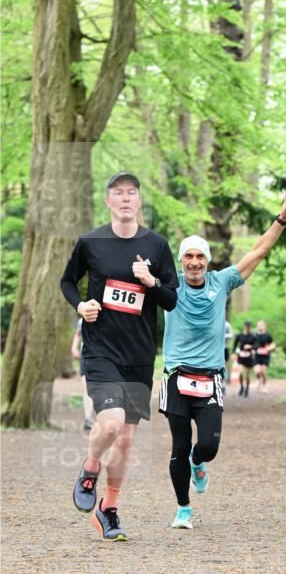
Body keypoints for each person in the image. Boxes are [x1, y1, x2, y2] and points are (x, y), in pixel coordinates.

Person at [160, 188, 286, 529]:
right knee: (179, 445)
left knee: (206, 445)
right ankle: (183, 509)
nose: (194, 262)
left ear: (208, 261)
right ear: (181, 260)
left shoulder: (221, 282)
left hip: (210, 378)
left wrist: (281, 218)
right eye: (188, 256)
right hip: (176, 376)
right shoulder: (168, 286)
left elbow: (258, 250)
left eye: (200, 257)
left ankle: (199, 462)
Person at [61, 172, 178, 541]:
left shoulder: (157, 246)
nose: (125, 198)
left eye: (132, 193)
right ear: (108, 201)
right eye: (118, 193)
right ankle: (91, 466)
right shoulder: (90, 242)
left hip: (139, 355)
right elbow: (67, 282)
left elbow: (171, 299)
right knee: (109, 425)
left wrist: (150, 281)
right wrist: (81, 305)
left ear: (139, 201)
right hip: (101, 350)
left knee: (126, 441)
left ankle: (108, 510)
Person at [71, 317, 95, 431]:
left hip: (104, 356)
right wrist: (74, 348)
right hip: (85, 355)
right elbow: (78, 334)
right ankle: (88, 418)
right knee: (87, 388)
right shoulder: (83, 320)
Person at [233, 321, 256, 397]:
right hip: (241, 357)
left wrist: (251, 347)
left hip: (249, 358)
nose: (247, 327)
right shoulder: (240, 335)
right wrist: (235, 352)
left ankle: (247, 389)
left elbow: (256, 345)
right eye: (246, 326)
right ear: (244, 326)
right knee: (240, 373)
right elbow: (235, 345)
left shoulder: (253, 336)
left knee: (247, 375)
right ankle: (242, 387)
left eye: (249, 326)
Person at [253, 320, 275, 392]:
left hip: (265, 356)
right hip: (257, 356)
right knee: (257, 371)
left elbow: (273, 344)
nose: (260, 327)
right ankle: (259, 380)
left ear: (264, 326)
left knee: (263, 371)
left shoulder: (268, 335)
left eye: (261, 325)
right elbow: (252, 344)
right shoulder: (255, 335)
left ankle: (265, 385)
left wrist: (269, 348)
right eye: (259, 325)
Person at [224, 318, 234, 384]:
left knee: (226, 365)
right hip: (214, 349)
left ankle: (227, 379)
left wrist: (224, 336)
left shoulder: (227, 324)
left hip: (224, 347)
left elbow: (231, 335)